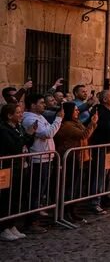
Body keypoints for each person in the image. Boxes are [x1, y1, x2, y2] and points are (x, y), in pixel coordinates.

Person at [21, 93, 63, 234]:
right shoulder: (29, 119)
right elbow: (47, 133)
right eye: (41, 103)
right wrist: (58, 119)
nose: (44, 105)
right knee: (35, 191)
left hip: (46, 157)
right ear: (33, 105)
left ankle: (36, 218)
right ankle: (31, 222)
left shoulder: (40, 116)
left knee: (41, 191)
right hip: (37, 160)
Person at [54, 101, 98, 223]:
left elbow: (86, 134)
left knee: (75, 186)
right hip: (70, 157)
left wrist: (92, 124)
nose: (78, 111)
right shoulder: (67, 125)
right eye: (75, 110)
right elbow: (83, 135)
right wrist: (92, 123)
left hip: (79, 157)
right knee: (68, 186)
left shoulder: (76, 123)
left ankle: (72, 210)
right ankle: (65, 211)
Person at [0, 102, 28, 241]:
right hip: (6, 167)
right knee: (6, 198)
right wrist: (24, 138)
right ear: (9, 115)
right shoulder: (3, 129)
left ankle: (12, 224)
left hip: (18, 166)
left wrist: (27, 136)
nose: (20, 114)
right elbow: (13, 146)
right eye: (17, 113)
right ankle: (3, 227)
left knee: (16, 196)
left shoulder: (18, 127)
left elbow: (24, 142)